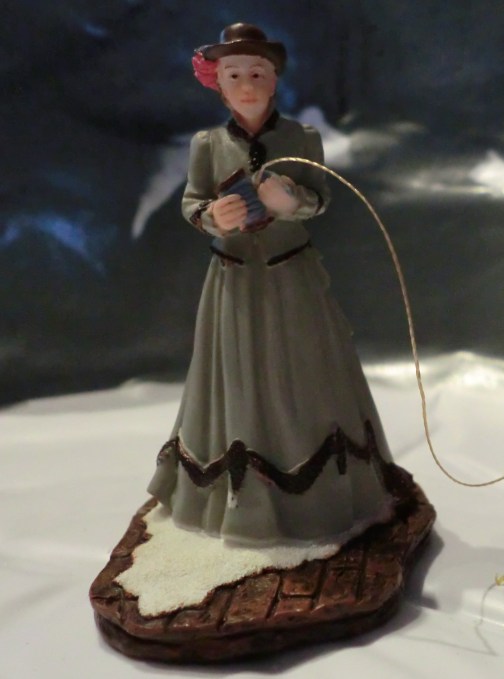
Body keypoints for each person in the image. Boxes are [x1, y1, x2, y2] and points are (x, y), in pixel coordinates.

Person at [148, 24, 402, 552]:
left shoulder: (303, 139)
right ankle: (238, 501)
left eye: (257, 73)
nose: (246, 85)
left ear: (275, 79)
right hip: (234, 280)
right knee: (235, 373)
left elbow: (321, 198)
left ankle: (321, 496)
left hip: (291, 275)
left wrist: (293, 203)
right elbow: (192, 202)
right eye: (234, 75)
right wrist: (212, 216)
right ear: (218, 83)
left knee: (305, 367)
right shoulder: (207, 145)